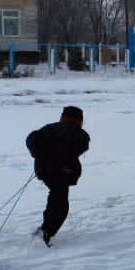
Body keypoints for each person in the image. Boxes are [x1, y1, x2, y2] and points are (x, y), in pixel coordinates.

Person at [26, 104, 90, 246]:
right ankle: (45, 233)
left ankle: (44, 231)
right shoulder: (78, 133)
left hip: (44, 171)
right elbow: (84, 144)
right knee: (60, 204)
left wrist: (39, 154)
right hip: (62, 173)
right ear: (78, 121)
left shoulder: (48, 128)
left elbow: (31, 139)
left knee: (56, 197)